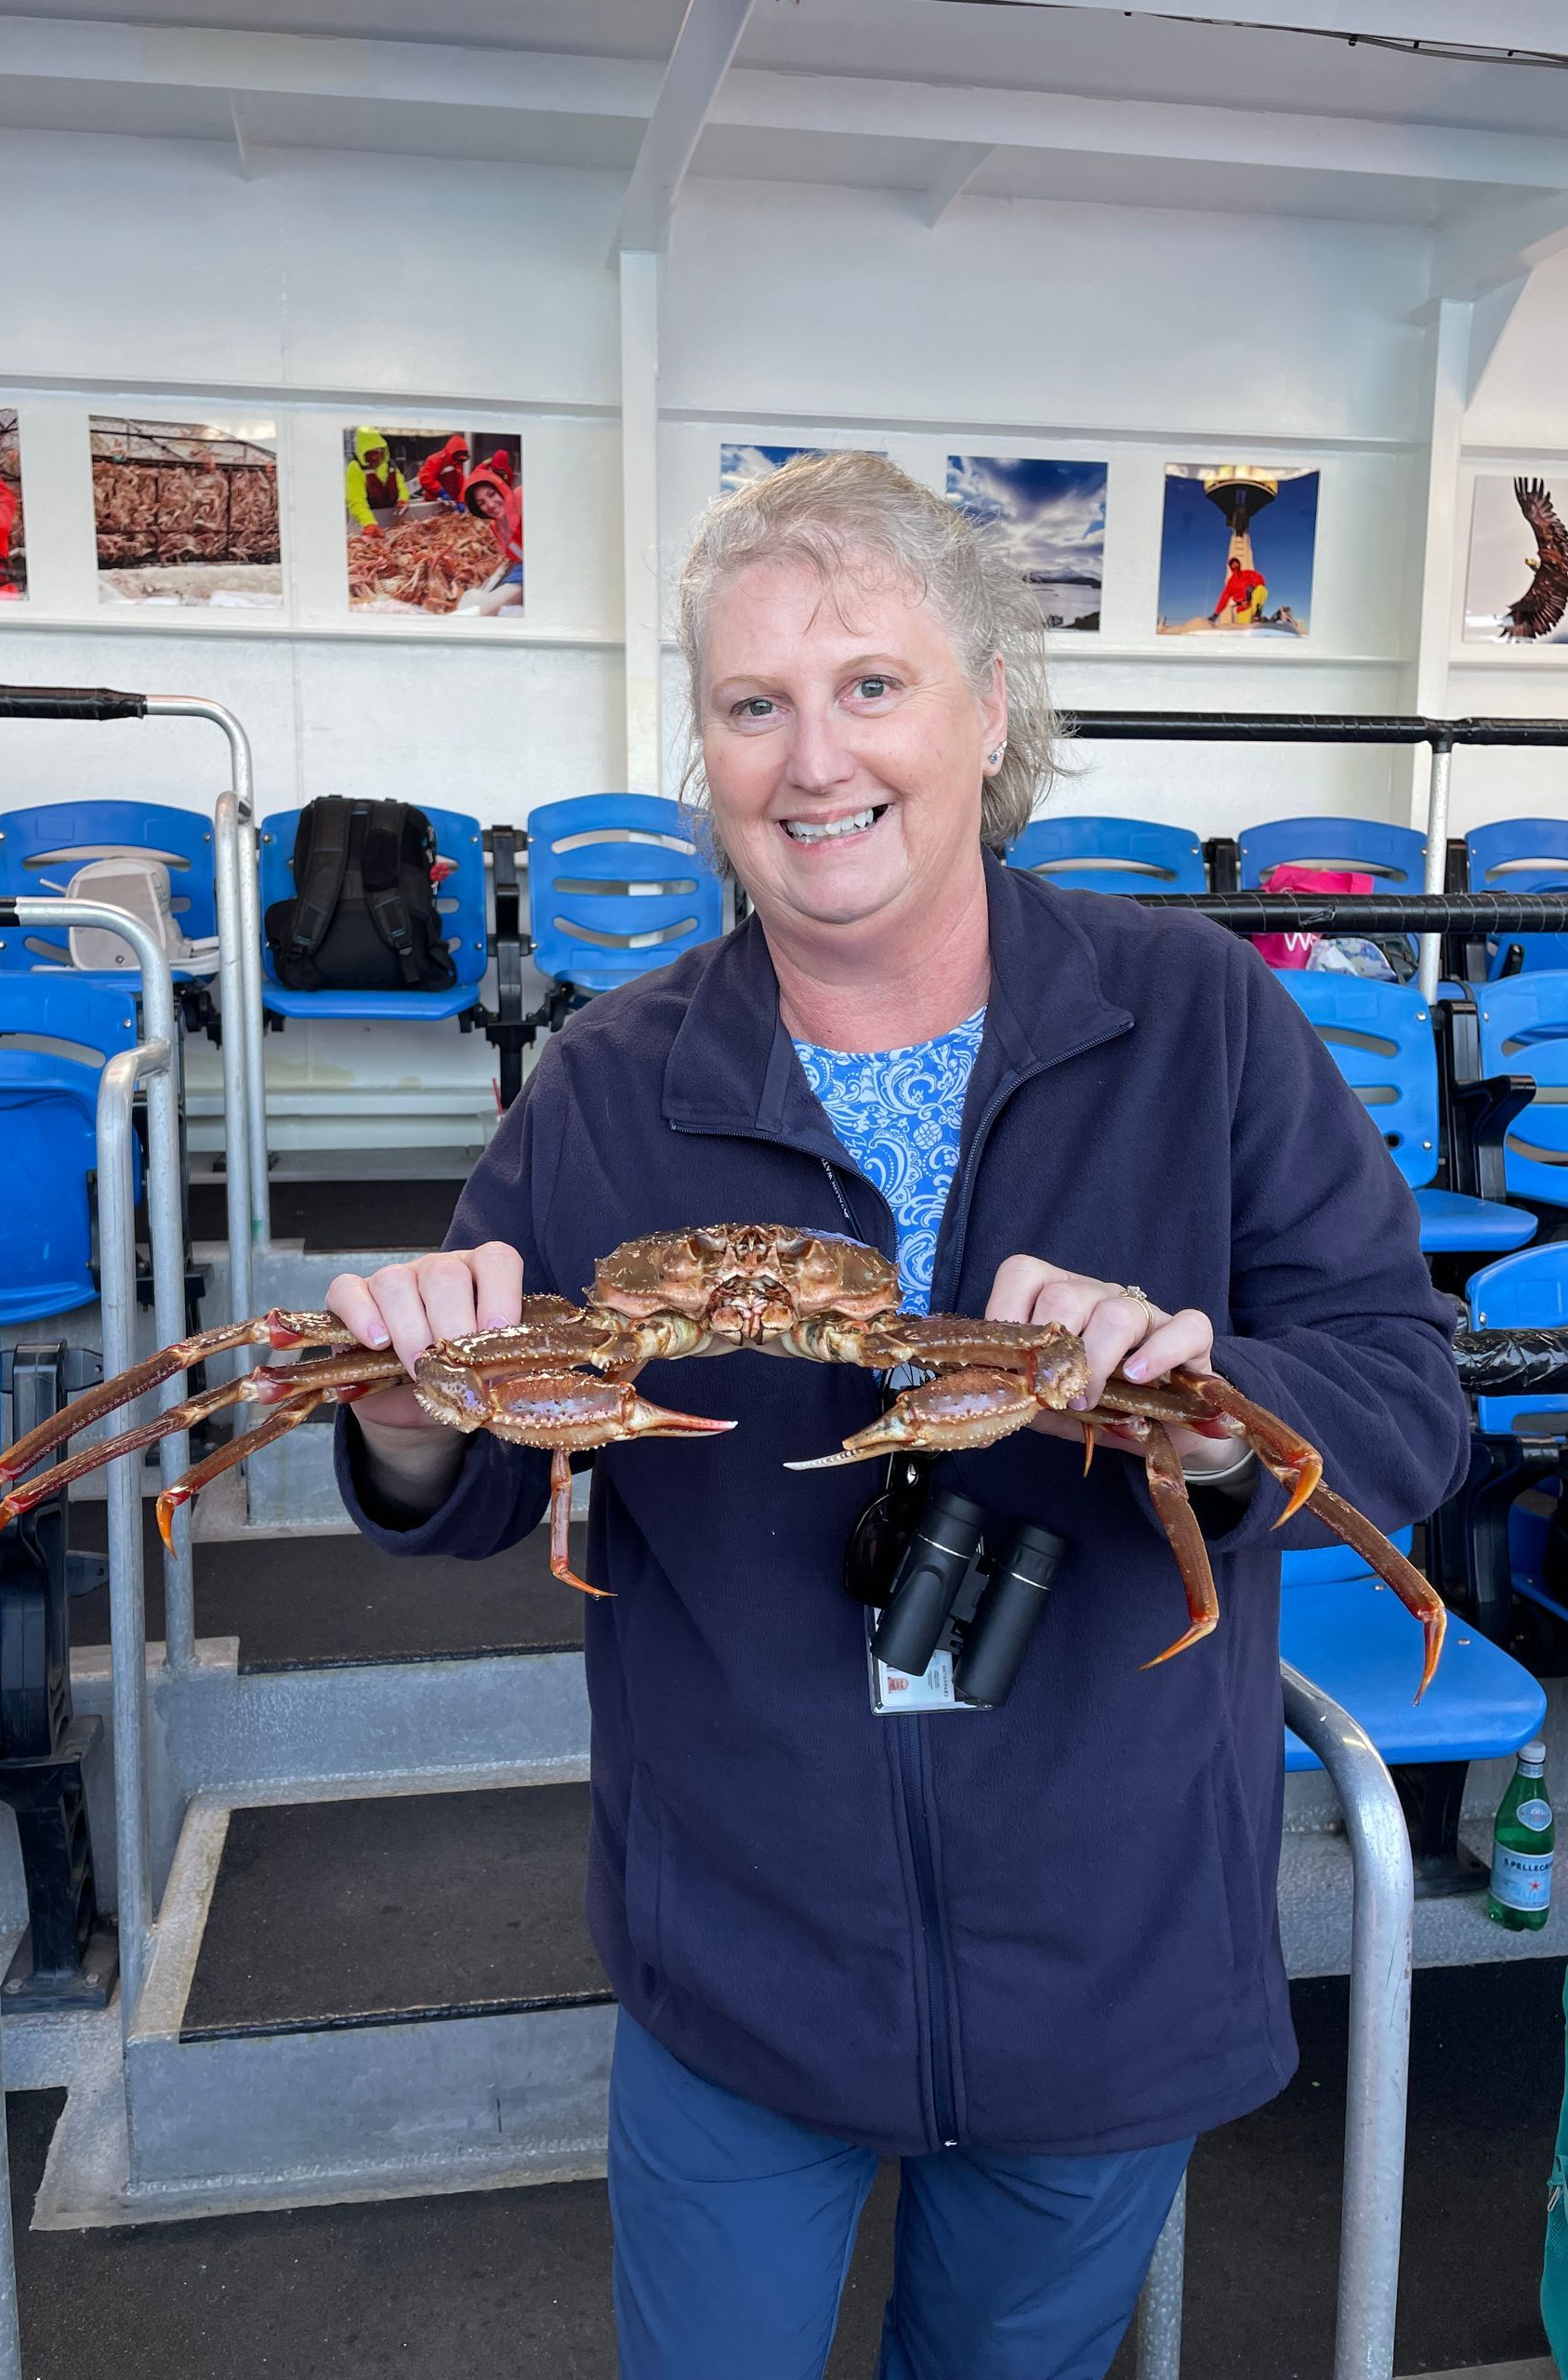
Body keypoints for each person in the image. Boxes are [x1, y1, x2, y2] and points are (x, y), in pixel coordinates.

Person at [326, 453, 1467, 2379]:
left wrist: (1213, 1414)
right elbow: (452, 1471)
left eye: (871, 684)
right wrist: (416, 1414)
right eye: (751, 703)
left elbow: (1399, 1388)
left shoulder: (1201, 1022)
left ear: (990, 708)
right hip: (743, 1950)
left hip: (1102, 1941)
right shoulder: (608, 1085)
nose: (810, 757)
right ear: (705, 747)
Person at [460, 461, 523, 615]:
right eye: (481, 503)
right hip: (530, 572)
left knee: (487, 610)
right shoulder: (496, 527)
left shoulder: (522, 497)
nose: (490, 504)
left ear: (501, 489)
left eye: (491, 494)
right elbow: (519, 559)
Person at [345, 427, 410, 539]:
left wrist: (403, 499)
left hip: (392, 521)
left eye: (377, 452)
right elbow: (356, 501)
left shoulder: (389, 465)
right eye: (369, 453)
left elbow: (401, 486)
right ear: (362, 454)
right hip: (363, 523)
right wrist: (369, 523)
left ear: (383, 451)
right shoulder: (354, 468)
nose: (374, 457)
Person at [1211, 549, 1268, 626]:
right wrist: (1216, 614)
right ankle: (1255, 621)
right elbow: (1224, 598)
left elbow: (1260, 579)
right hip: (1242, 607)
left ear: (1239, 564)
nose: (1235, 565)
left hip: (1253, 601)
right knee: (1243, 627)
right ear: (1230, 567)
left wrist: (1253, 586)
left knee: (1261, 589)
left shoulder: (1247, 573)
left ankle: (1257, 614)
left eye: (1236, 563)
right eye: (1232, 564)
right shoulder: (1231, 583)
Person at [416, 432, 469, 507]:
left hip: (452, 503)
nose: (460, 461)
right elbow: (425, 478)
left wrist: (461, 500)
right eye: (458, 458)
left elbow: (462, 483)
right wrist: (440, 491)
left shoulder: (458, 464)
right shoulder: (435, 460)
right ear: (453, 453)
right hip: (433, 502)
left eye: (462, 460)